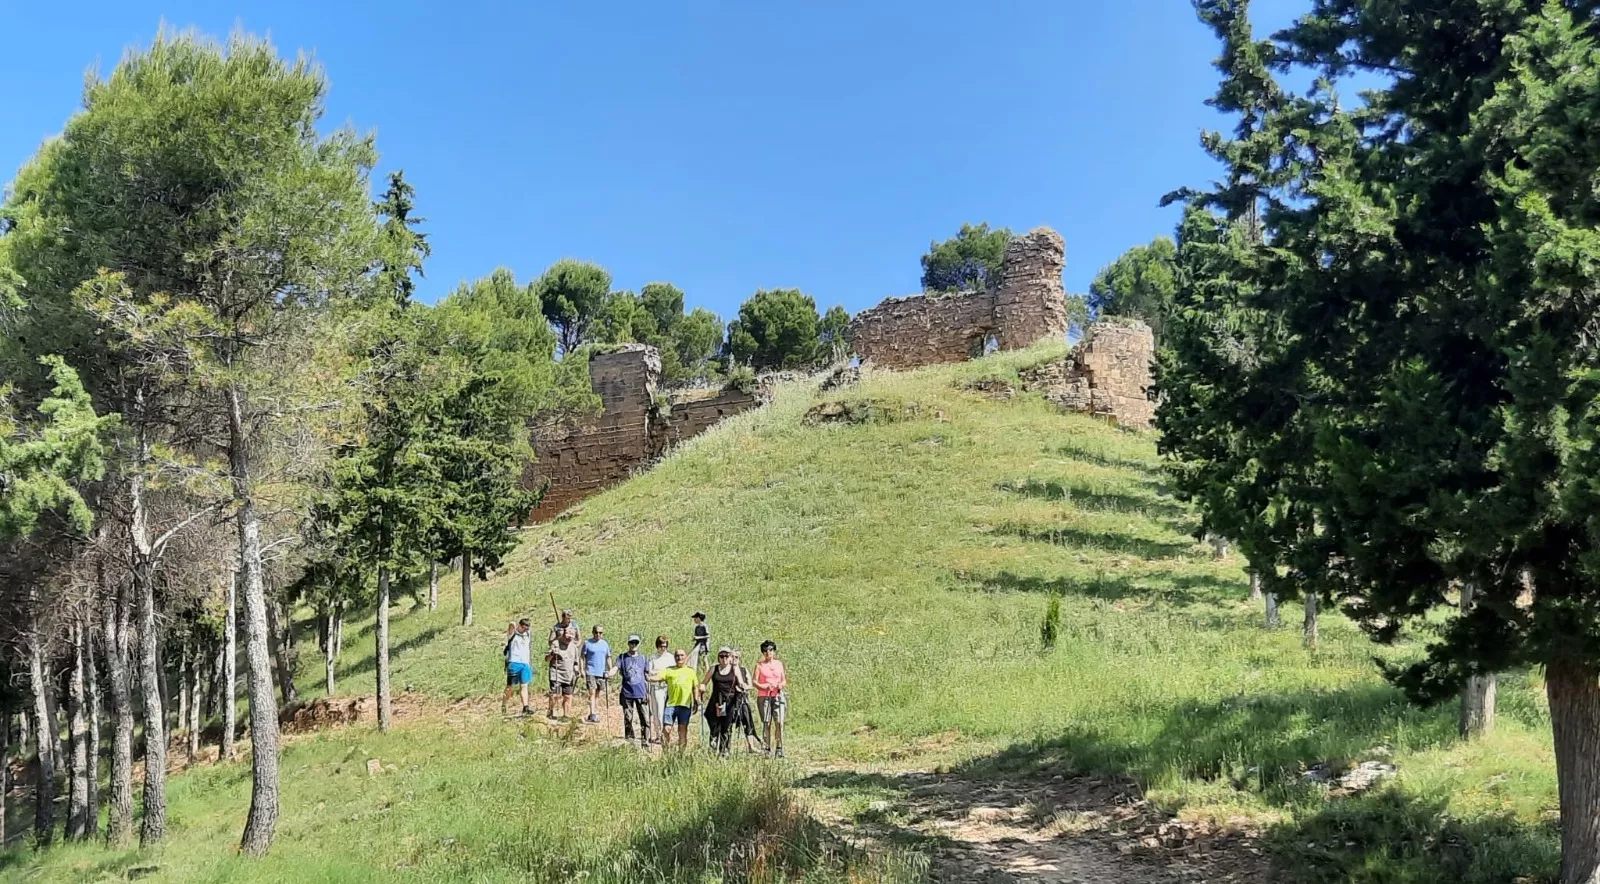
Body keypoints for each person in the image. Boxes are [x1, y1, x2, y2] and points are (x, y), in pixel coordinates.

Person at [700, 646, 746, 758]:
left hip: (729, 702)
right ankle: (713, 748)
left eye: (726, 656)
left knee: (726, 727)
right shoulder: (713, 669)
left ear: (730, 657)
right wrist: (701, 688)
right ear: (718, 657)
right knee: (714, 726)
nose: (724, 658)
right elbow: (703, 682)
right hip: (716, 701)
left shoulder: (734, 669)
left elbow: (740, 682)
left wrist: (742, 686)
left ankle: (724, 751)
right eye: (722, 656)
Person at [650, 648, 699, 751]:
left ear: (685, 657)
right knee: (666, 730)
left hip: (685, 705)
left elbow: (695, 687)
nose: (679, 658)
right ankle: (666, 753)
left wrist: (696, 701)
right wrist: (647, 677)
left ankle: (681, 755)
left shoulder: (690, 671)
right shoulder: (669, 670)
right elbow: (658, 677)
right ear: (674, 658)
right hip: (671, 705)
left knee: (682, 731)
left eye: (681, 655)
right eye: (677, 656)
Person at [613, 634, 651, 747]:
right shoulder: (622, 657)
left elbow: (647, 677)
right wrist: (608, 673)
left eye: (636, 643)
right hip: (627, 693)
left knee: (645, 718)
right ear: (628, 644)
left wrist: (649, 692)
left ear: (638, 644)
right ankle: (630, 739)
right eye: (631, 643)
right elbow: (616, 668)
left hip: (641, 693)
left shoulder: (643, 658)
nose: (633, 645)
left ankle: (645, 739)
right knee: (628, 717)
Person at [754, 640, 787, 758]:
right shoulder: (759, 665)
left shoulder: (779, 664)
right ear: (763, 653)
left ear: (774, 651)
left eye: (770, 650)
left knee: (779, 722)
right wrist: (764, 686)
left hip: (777, 695)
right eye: (765, 651)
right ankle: (767, 747)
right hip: (764, 696)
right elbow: (754, 681)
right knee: (766, 722)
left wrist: (780, 685)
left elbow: (784, 680)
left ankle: (779, 747)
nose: (768, 653)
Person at [731, 649, 762, 753]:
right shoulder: (726, 670)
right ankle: (726, 746)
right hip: (730, 700)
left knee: (748, 721)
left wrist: (745, 687)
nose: (734, 659)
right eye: (732, 656)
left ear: (739, 659)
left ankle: (751, 746)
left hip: (743, 699)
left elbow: (750, 685)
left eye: (736, 657)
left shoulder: (744, 670)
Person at [501, 619, 535, 716]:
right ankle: (504, 704)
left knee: (524, 686)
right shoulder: (513, 634)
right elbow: (511, 625)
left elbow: (529, 630)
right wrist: (515, 625)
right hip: (514, 662)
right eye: (523, 628)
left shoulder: (527, 635)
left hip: (525, 663)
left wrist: (526, 629)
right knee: (510, 688)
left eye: (527, 628)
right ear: (520, 626)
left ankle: (526, 707)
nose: (525, 630)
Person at [546, 627, 579, 720]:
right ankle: (550, 711)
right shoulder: (555, 644)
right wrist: (552, 653)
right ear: (564, 634)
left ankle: (566, 715)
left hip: (568, 675)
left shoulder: (574, 647)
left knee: (568, 696)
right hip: (556, 673)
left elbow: (575, 663)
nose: (569, 639)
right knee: (556, 695)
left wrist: (577, 670)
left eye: (571, 638)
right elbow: (547, 659)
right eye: (568, 637)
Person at [581, 625, 612, 724]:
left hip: (601, 672)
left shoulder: (605, 644)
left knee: (598, 693)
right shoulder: (587, 643)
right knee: (592, 692)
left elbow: (608, 657)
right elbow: (582, 657)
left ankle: (594, 712)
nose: (598, 634)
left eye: (600, 633)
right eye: (596, 632)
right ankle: (593, 713)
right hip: (591, 671)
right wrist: (582, 669)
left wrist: (610, 670)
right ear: (593, 632)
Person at [646, 635, 673, 744]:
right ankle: (658, 734)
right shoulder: (652, 658)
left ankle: (664, 735)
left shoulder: (671, 658)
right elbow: (649, 673)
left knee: (663, 713)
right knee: (656, 712)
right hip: (655, 687)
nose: (663, 649)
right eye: (661, 646)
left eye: (665, 646)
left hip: (667, 688)